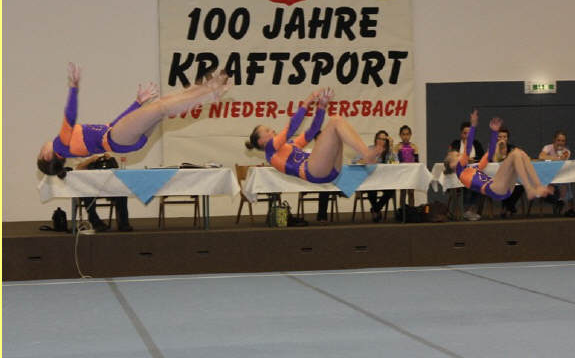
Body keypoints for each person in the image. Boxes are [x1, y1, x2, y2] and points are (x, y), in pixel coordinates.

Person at [37, 63, 231, 178]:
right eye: (40, 152)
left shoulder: (68, 146)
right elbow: (70, 117)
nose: (41, 147)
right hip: (117, 140)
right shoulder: (60, 146)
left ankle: (209, 87)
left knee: (162, 106)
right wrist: (73, 88)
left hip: (119, 139)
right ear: (46, 156)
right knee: (161, 108)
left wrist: (137, 103)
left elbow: (112, 127)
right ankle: (210, 94)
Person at [245, 87, 379, 184]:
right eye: (267, 131)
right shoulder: (270, 150)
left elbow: (313, 130)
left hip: (330, 171)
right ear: (261, 141)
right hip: (312, 171)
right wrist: (307, 101)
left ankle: (364, 157)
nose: (272, 130)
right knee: (335, 121)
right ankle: (366, 154)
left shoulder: (290, 145)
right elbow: (291, 127)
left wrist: (322, 107)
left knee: (337, 124)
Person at [444, 110, 552, 203]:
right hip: (494, 188)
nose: (460, 155)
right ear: (452, 165)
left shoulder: (473, 169)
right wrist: (473, 126)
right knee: (515, 153)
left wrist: (494, 132)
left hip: (503, 189)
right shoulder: (460, 171)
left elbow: (490, 153)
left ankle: (538, 186)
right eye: (457, 155)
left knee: (520, 153)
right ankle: (529, 189)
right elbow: (467, 149)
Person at [76, 154, 132, 232]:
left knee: (121, 193)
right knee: (88, 194)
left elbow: (115, 168)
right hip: (89, 186)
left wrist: (110, 158)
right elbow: (78, 168)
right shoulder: (79, 152)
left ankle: (123, 224)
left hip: (106, 185)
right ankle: (96, 223)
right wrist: (90, 160)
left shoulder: (104, 150)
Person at [352, 130, 395, 222]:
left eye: (384, 139)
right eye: (379, 138)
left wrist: (391, 147)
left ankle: (375, 209)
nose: (381, 141)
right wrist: (366, 161)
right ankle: (376, 211)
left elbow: (395, 162)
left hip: (384, 181)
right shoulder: (369, 149)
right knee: (371, 189)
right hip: (370, 180)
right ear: (375, 139)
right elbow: (355, 161)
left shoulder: (388, 152)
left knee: (391, 190)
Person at [449, 120, 485, 220]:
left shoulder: (477, 144)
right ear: (461, 134)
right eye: (465, 133)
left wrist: (473, 159)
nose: (467, 136)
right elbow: (450, 157)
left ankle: (472, 210)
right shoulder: (456, 144)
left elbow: (482, 158)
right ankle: (467, 210)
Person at [538, 130, 575, 216]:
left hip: (560, 176)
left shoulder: (566, 151)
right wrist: (556, 158)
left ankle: (568, 208)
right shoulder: (547, 147)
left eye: (563, 141)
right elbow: (541, 156)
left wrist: (551, 158)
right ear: (554, 140)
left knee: (566, 182)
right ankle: (563, 203)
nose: (560, 143)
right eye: (558, 140)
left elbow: (563, 158)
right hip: (547, 176)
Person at [492, 127, 525, 218]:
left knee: (521, 185)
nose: (502, 139)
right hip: (495, 177)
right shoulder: (492, 148)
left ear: (507, 138)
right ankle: (510, 207)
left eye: (504, 137)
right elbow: (494, 160)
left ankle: (507, 207)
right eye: (500, 137)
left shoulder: (512, 148)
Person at [395, 124, 418, 208]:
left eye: (407, 134)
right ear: (400, 135)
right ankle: (402, 210)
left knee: (411, 193)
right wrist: (397, 151)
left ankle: (411, 210)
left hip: (411, 172)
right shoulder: (397, 147)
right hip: (402, 172)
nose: (405, 136)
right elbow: (394, 161)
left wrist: (415, 153)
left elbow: (416, 161)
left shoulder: (414, 146)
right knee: (403, 192)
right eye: (403, 134)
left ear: (410, 135)